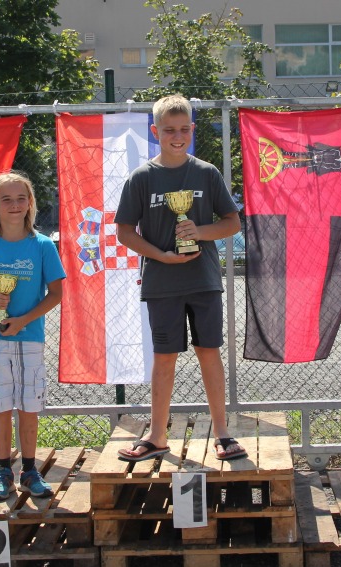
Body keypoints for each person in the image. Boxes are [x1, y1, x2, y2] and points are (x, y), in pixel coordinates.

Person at [114, 94, 246, 462]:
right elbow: (125, 232)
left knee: (209, 352)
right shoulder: (141, 178)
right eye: (169, 130)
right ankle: (157, 436)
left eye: (184, 129)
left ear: (192, 130)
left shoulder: (206, 172)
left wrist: (199, 232)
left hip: (203, 280)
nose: (177, 136)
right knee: (164, 358)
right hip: (162, 283)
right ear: (155, 131)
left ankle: (222, 433)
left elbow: (232, 223)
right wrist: (161, 256)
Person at [0, 171, 66, 500]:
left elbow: (56, 294)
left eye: (21, 198)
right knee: (0, 405)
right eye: (6, 199)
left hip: (29, 337)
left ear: (30, 203)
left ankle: (30, 471)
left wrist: (22, 321)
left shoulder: (43, 245)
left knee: (29, 405)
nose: (15, 205)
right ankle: (3, 471)